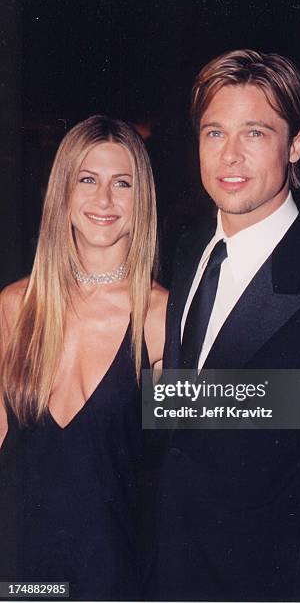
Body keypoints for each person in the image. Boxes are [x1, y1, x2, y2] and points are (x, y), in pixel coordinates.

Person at [149, 50, 300, 601]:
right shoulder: (189, 255)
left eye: (254, 133)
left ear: (296, 145)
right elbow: (191, 423)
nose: (229, 155)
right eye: (214, 133)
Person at [0, 115, 167, 600]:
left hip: (113, 579)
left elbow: (209, 454)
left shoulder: (162, 318)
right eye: (87, 180)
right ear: (63, 193)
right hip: (21, 580)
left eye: (123, 183)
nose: (104, 200)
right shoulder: (15, 307)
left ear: (143, 201)